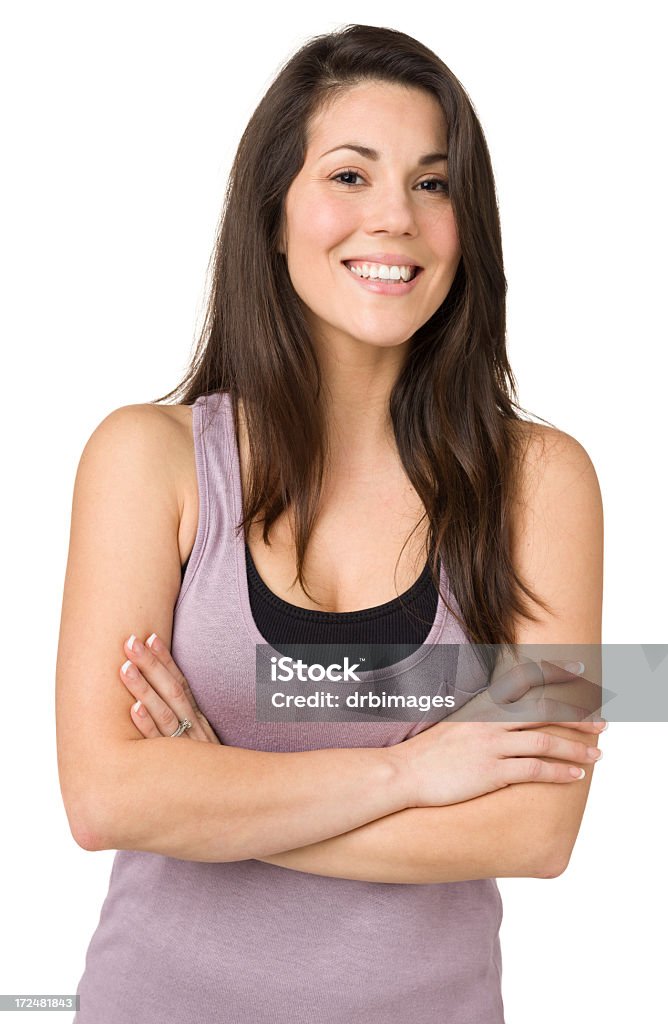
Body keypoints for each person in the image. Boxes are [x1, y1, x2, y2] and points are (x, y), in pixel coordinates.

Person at [55, 23, 605, 1024]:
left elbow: (534, 829)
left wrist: (216, 793)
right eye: (349, 176)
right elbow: (104, 798)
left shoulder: (542, 484)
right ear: (271, 214)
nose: (393, 216)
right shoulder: (149, 460)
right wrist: (411, 771)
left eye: (433, 185)